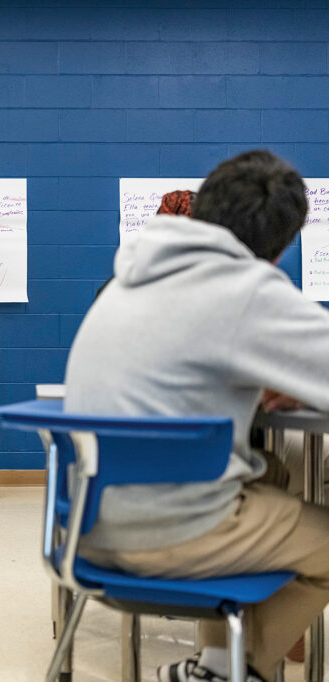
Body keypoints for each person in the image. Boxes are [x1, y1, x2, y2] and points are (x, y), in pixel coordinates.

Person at [64, 150, 329, 682]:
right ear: (278, 249)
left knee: (271, 474)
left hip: (85, 523)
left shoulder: (129, 278)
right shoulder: (245, 287)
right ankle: (227, 670)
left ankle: (217, 663)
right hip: (166, 533)